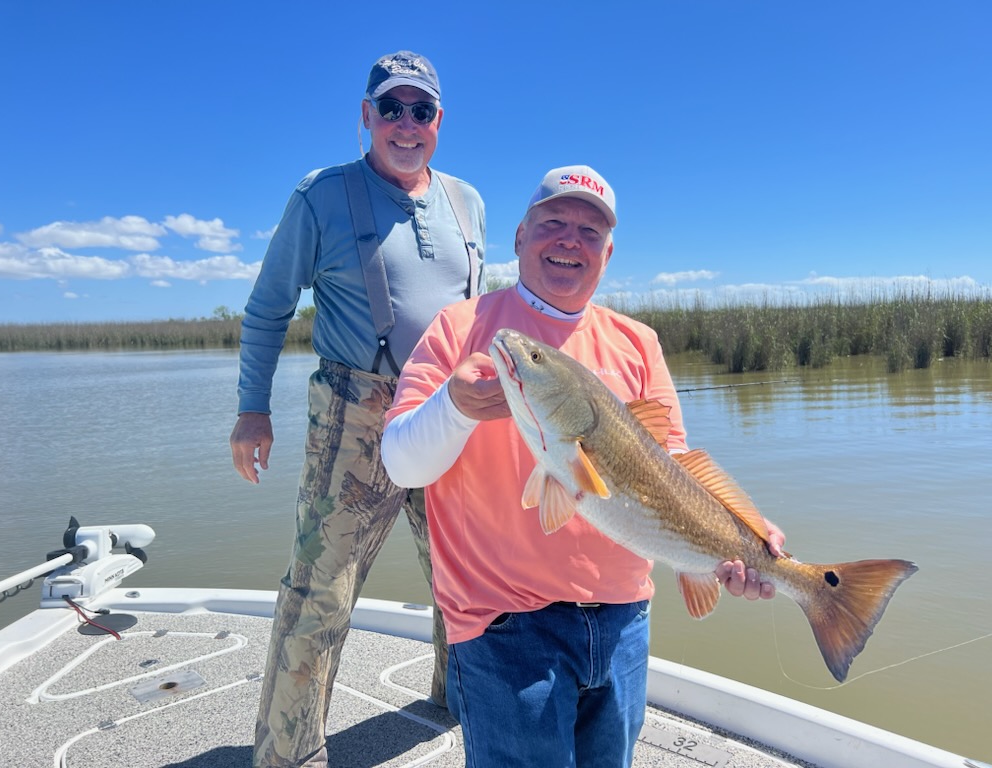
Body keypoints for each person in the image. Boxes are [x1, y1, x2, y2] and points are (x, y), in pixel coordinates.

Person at [380, 165, 783, 766]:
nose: (570, 239)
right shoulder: (460, 329)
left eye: (590, 232)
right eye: (553, 222)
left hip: (624, 623)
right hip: (504, 628)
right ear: (518, 237)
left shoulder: (638, 341)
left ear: (608, 252)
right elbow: (401, 464)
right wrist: (456, 407)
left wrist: (745, 541)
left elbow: (673, 464)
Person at [230, 51, 485, 768]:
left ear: (439, 121)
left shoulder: (469, 202)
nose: (407, 124)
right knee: (321, 595)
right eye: (391, 108)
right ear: (366, 117)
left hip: (451, 410)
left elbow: (475, 322)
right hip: (355, 416)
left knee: (463, 580)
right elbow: (267, 309)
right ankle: (288, 755)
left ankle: (459, 709)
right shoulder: (322, 196)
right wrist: (253, 410)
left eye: (421, 110)